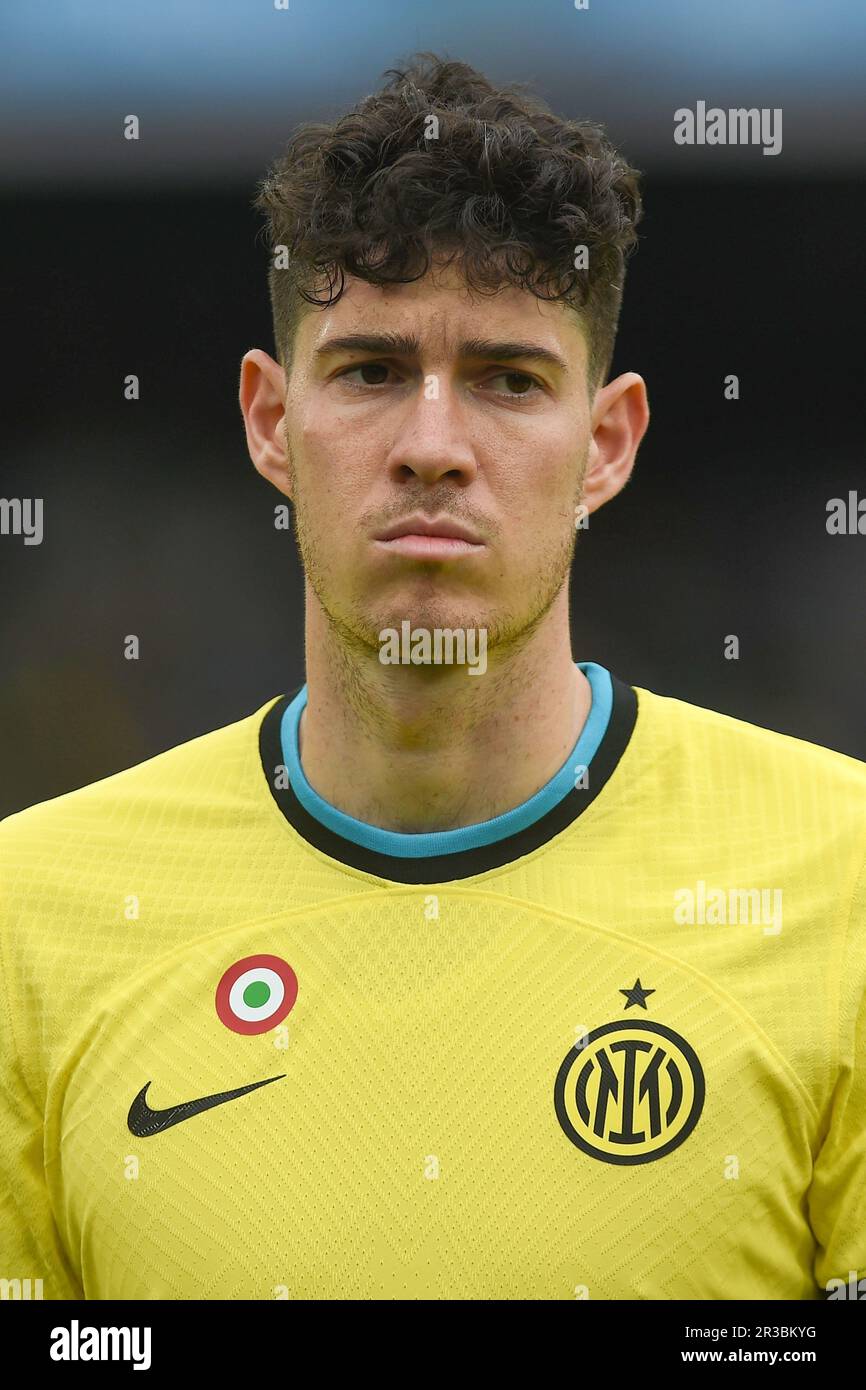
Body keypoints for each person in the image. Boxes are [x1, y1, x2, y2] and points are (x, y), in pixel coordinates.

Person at [1, 53, 863, 1302]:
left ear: (605, 445)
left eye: (509, 381)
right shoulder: (33, 916)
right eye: (369, 371)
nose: (432, 448)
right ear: (269, 421)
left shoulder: (839, 883)